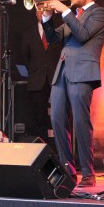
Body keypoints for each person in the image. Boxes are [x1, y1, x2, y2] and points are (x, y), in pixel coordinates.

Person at [42, 0, 104, 188]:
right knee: (57, 120)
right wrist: (47, 17)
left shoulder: (99, 13)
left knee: (81, 122)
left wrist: (64, 10)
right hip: (62, 72)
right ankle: (67, 170)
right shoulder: (75, 15)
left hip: (82, 72)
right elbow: (53, 38)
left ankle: (88, 172)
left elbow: (82, 35)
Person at [20, 9, 63, 144]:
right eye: (39, 10)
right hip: (37, 80)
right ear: (35, 13)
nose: (41, 12)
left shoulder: (58, 31)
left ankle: (60, 150)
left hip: (55, 79)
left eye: (44, 10)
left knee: (60, 115)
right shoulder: (27, 34)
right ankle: (43, 151)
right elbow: (25, 57)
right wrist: (34, 72)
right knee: (39, 118)